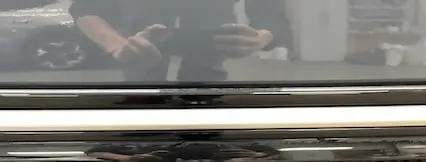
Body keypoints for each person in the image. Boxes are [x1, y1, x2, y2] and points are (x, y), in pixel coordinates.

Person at [69, 0, 283, 82]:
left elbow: (269, 11)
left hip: (217, 76)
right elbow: (86, 8)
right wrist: (117, 45)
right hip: (138, 73)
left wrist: (261, 37)